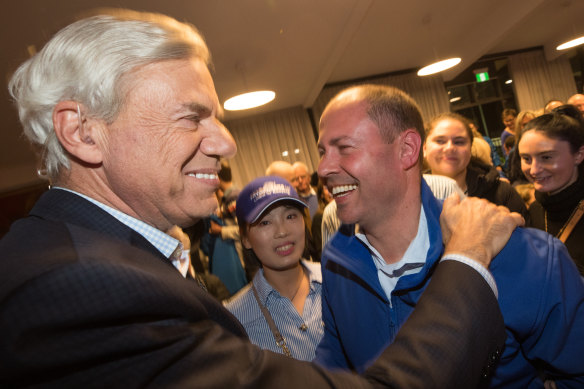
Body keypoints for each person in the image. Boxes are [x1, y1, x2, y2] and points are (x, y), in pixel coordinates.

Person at [0, 9, 521, 388]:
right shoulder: (80, 290)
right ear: (84, 131)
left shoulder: (85, 260)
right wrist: (467, 259)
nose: (226, 143)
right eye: (191, 116)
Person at [315, 84, 584, 388]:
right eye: (323, 152)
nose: (323, 168)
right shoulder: (337, 261)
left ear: (406, 150)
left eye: (344, 148)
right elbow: (335, 364)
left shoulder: (519, 254)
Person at [225, 176, 323, 361]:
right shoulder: (236, 320)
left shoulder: (339, 280)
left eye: (290, 216)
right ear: (245, 238)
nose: (282, 231)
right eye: (265, 222)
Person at [424, 112, 529, 220]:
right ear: (424, 149)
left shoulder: (502, 193)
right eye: (440, 141)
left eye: (459, 142)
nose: (450, 147)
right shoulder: (411, 198)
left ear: (470, 149)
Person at [517, 106, 584, 275]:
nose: (533, 170)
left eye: (546, 157)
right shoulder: (535, 209)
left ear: (578, 155)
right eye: (526, 159)